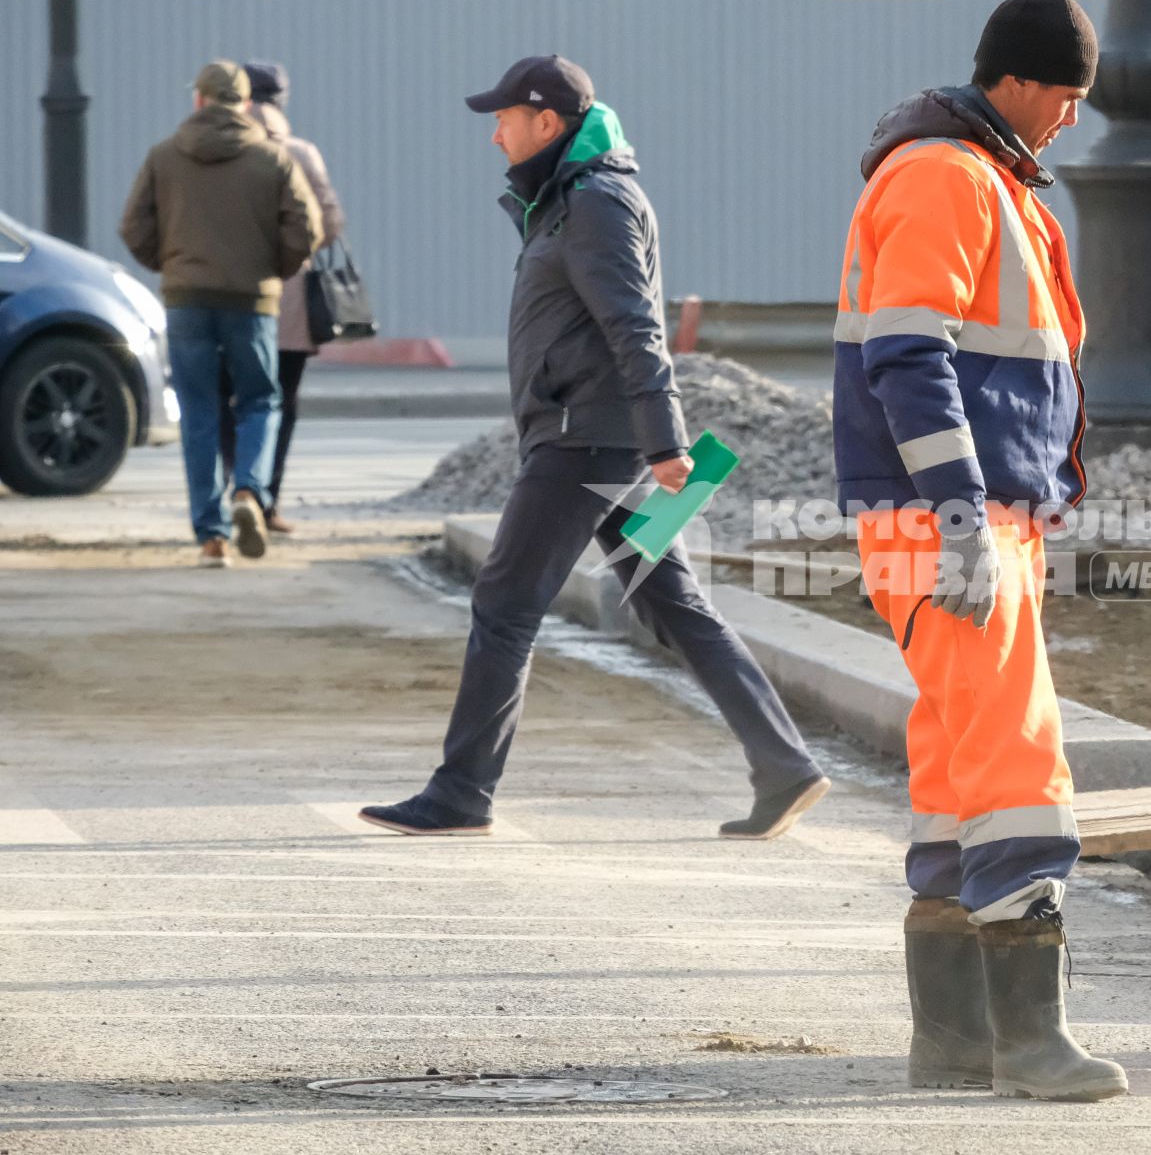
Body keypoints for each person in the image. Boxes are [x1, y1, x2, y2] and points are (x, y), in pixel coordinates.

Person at [359, 55, 829, 842]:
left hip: (585, 445)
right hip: (596, 440)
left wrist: (665, 438)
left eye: (503, 119)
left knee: (505, 606)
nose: (495, 136)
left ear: (547, 123)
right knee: (671, 601)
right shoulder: (567, 200)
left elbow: (635, 326)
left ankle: (461, 792)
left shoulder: (595, 203)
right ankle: (783, 766)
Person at [832, 0, 1127, 1102]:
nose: (1072, 116)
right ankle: (1030, 1040)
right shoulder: (951, 178)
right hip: (954, 520)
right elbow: (910, 355)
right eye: (1068, 93)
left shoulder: (964, 176)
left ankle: (953, 1038)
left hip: (958, 518)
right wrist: (960, 509)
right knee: (1015, 761)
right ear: (1017, 82)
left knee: (958, 767)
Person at [119, 61, 321, 567]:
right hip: (251, 303)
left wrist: (170, 264)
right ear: (247, 104)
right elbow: (307, 229)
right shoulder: (273, 159)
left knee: (199, 411)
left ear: (200, 101)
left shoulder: (164, 157)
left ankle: (211, 538)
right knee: (259, 401)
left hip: (186, 300)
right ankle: (249, 492)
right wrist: (272, 268)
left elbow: (133, 227)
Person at [214, 61, 347, 535]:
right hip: (288, 306)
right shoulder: (301, 154)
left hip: (227, 296)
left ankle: (237, 486)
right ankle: (265, 501)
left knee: (226, 396)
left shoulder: (222, 151)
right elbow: (330, 225)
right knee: (279, 403)